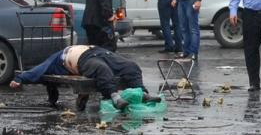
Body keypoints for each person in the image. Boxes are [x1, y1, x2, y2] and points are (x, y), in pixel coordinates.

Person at [9, 45, 158, 110]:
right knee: (102, 69)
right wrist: (20, 78)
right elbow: (40, 69)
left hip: (99, 52)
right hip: (82, 60)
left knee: (131, 66)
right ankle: (115, 98)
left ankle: (142, 93)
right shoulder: (57, 58)